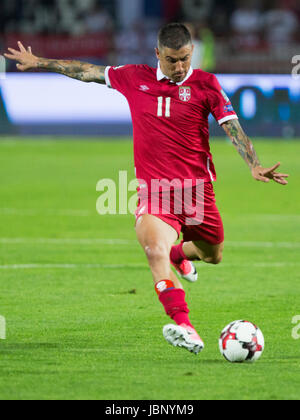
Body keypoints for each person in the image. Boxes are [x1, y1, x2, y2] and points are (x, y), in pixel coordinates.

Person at [4, 23, 289, 355]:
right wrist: (40, 62)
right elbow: (87, 71)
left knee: (213, 255)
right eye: (172, 60)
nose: (179, 66)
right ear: (158, 54)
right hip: (156, 193)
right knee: (154, 251)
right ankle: (183, 324)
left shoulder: (206, 84)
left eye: (184, 59)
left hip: (198, 194)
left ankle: (179, 254)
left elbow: (233, 127)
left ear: (191, 52)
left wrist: (253, 163)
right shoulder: (132, 77)